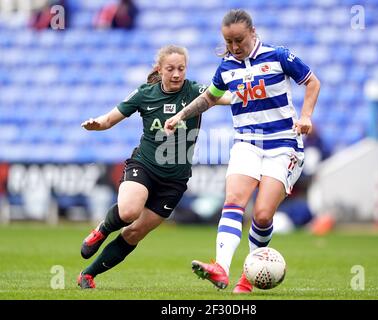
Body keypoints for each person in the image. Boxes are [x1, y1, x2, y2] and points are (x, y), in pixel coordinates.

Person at [164, 9, 321, 293]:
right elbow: (209, 98)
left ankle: (247, 279)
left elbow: (312, 81)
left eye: (239, 40)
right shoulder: (226, 67)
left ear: (252, 32)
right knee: (234, 200)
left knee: (261, 216)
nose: (234, 47)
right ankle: (221, 268)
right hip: (246, 142)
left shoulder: (279, 56)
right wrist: (181, 116)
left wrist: (306, 116)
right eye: (228, 42)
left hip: (284, 144)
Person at [77, 45, 230, 289]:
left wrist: (249, 94)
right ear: (159, 69)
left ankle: (87, 275)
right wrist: (98, 124)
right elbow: (108, 119)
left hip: (175, 181)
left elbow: (225, 97)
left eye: (181, 68)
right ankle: (101, 231)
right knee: (128, 212)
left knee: (134, 232)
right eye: (170, 69)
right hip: (145, 166)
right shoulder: (144, 94)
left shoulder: (195, 91)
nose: (177, 74)